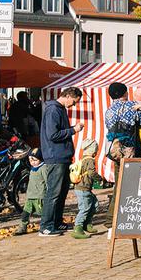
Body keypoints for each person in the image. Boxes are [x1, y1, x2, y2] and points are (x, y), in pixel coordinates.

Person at [104, 82, 141, 226]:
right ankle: (130, 216)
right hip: (131, 151)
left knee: (118, 183)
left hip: (115, 150)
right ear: (125, 93)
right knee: (133, 184)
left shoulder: (108, 111)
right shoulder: (131, 107)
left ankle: (111, 219)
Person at [39, 87, 84, 237]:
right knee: (54, 192)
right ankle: (46, 226)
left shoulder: (59, 109)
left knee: (62, 192)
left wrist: (71, 129)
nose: (74, 105)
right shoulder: (53, 110)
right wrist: (73, 130)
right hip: (55, 156)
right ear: (69, 96)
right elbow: (53, 135)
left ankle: (56, 222)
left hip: (62, 156)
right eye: (74, 102)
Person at [71, 139, 101, 239]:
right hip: (83, 188)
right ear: (93, 151)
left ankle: (87, 223)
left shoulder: (83, 159)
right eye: (96, 151)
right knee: (84, 208)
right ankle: (77, 228)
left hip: (85, 188)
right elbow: (92, 173)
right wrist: (100, 178)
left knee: (94, 204)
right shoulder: (90, 161)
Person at [14, 148, 47, 236]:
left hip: (40, 196)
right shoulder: (32, 169)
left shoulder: (43, 168)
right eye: (30, 160)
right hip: (30, 196)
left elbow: (47, 182)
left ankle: (46, 225)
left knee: (43, 213)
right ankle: (22, 227)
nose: (32, 162)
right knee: (25, 213)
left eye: (35, 160)